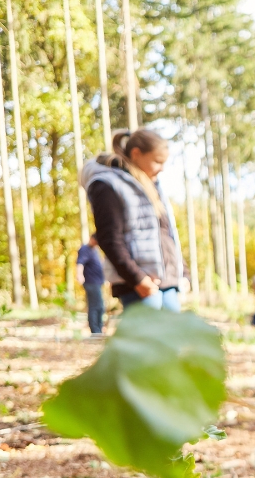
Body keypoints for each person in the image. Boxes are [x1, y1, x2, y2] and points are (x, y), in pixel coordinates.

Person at [79, 128, 185, 312]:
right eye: (157, 161)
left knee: (175, 338)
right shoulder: (107, 185)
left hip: (167, 281)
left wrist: (183, 272)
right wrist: (138, 279)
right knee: (147, 340)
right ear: (136, 154)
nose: (162, 168)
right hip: (138, 285)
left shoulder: (153, 185)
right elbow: (109, 239)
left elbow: (166, 233)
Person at [75, 235, 106, 335]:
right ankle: (95, 331)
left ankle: (99, 329)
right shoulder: (85, 249)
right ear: (92, 239)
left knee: (100, 306)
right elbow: (80, 263)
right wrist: (79, 275)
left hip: (98, 282)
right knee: (95, 306)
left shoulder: (95, 250)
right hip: (91, 282)